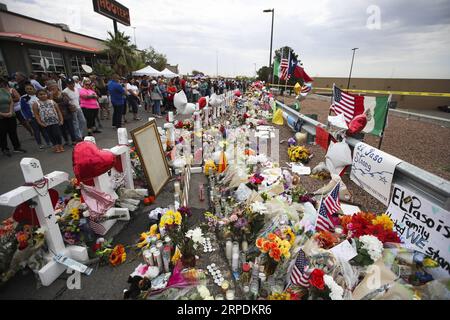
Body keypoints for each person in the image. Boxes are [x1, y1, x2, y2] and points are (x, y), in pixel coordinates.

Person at [20, 82, 51, 149]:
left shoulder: (38, 95)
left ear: (34, 89)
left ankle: (48, 142)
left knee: (44, 130)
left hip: (41, 116)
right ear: (25, 90)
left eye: (30, 88)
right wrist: (27, 117)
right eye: (27, 89)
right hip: (32, 118)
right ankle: (40, 144)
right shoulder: (24, 98)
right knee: (36, 131)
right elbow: (23, 109)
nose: (29, 90)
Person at [0, 78, 27, 156]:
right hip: (1, 117)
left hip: (11, 114)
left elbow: (11, 101)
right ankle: (5, 148)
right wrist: (2, 114)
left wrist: (10, 112)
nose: (2, 85)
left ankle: (17, 147)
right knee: (2, 133)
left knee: (13, 131)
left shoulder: (5, 91)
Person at [47, 80, 78, 146]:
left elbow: (66, 101)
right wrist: (51, 96)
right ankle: (66, 140)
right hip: (57, 114)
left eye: (53, 87)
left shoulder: (63, 93)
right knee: (62, 129)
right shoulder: (49, 96)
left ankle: (74, 140)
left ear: (57, 87)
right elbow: (50, 104)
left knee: (70, 127)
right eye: (51, 88)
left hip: (67, 113)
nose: (52, 89)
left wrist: (57, 104)